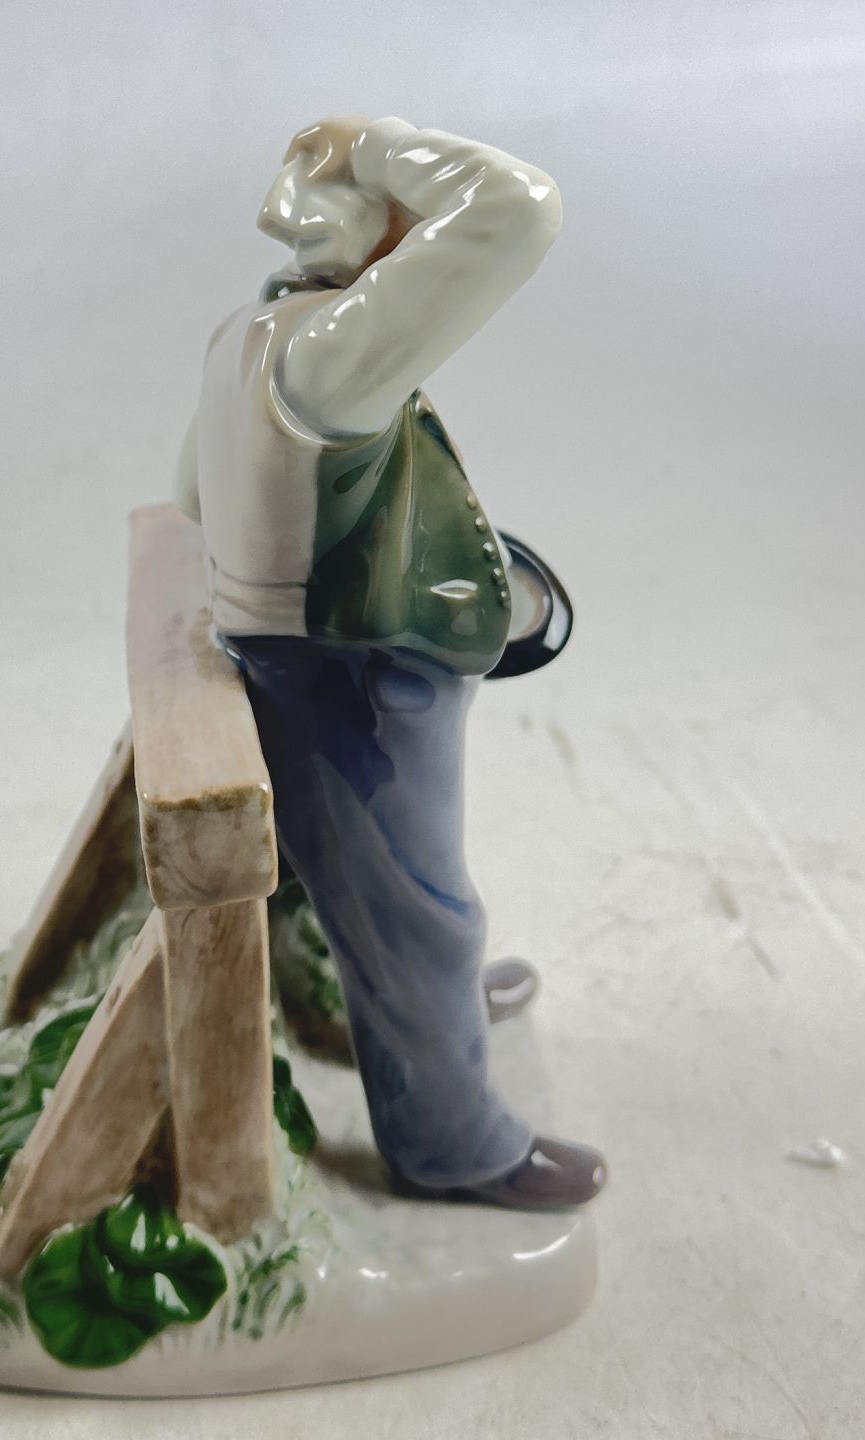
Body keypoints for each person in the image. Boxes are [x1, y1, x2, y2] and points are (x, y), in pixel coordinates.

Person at [173, 115, 606, 1208]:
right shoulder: (328, 352)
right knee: (422, 920)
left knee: (389, 904)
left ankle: (380, 1003)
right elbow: (515, 208)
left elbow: (190, 493)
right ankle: (454, 1145)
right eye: (406, 225)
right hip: (349, 680)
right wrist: (373, 146)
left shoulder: (244, 333)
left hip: (281, 658)